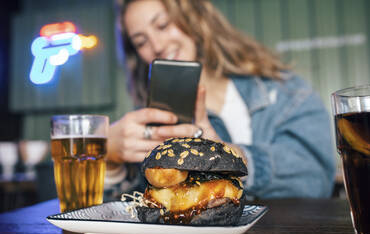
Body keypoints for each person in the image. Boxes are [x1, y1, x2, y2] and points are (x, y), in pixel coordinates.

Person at [104, 0, 336, 201]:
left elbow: (315, 179)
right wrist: (109, 159)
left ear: (194, 18)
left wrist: (228, 159)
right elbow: (136, 205)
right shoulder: (148, 124)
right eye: (141, 41)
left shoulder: (286, 90)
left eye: (163, 25)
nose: (157, 45)